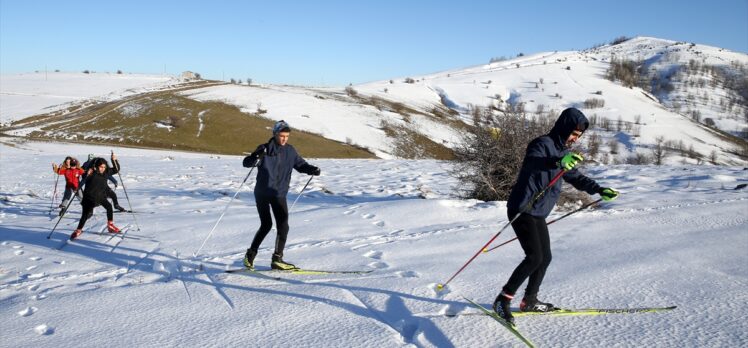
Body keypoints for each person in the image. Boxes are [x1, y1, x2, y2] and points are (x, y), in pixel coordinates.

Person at [492, 107, 620, 325]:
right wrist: (557, 163)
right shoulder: (541, 144)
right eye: (573, 133)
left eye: (578, 136)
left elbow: (576, 177)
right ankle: (502, 300)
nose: (575, 138)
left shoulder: (563, 152)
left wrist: (599, 189)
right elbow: (534, 163)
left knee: (545, 258)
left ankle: (529, 301)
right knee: (534, 257)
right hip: (522, 208)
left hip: (538, 212)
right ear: (564, 128)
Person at [241, 120, 321, 270]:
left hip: (279, 193)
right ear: (275, 134)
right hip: (262, 193)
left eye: (287, 136)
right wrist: (255, 156)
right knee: (266, 224)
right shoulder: (264, 149)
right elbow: (247, 163)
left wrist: (312, 169)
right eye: (281, 135)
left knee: (283, 225)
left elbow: (300, 165)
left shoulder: (290, 151)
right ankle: (250, 256)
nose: (284, 138)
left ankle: (277, 259)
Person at [70, 154, 122, 240]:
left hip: (100, 196)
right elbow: (83, 179)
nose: (103, 169)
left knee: (109, 207)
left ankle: (110, 225)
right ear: (96, 167)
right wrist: (79, 186)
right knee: (85, 215)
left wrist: (114, 160)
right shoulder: (90, 173)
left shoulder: (105, 173)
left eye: (104, 167)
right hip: (89, 198)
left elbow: (116, 169)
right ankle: (78, 230)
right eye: (101, 167)